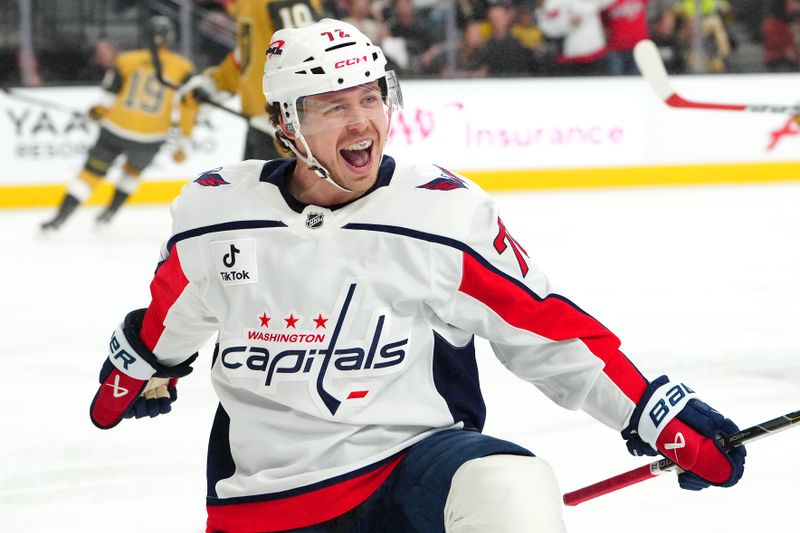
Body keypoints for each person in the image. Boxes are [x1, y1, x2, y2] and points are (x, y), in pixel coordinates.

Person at [89, 18, 747, 533]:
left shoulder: (440, 215)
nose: (362, 121)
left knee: (509, 483)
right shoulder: (215, 213)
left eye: (372, 96)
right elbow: (173, 311)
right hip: (262, 499)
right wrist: (141, 364)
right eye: (331, 106)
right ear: (286, 125)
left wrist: (652, 410)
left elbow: (543, 327)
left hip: (410, 472)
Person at [40, 16, 198, 231]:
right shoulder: (184, 67)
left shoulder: (126, 60)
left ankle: (58, 219)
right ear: (170, 38)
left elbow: (107, 99)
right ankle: (108, 214)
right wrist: (184, 140)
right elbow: (188, 107)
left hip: (116, 129)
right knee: (131, 174)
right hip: (152, 137)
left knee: (90, 175)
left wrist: (95, 113)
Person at [176, 0, 323, 161]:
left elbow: (308, 53)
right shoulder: (247, 5)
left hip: (285, 129)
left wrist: (292, 117)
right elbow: (248, 56)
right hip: (261, 124)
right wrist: (215, 84)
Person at [762, 0, 800, 72]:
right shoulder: (771, 22)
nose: (795, 6)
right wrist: (787, 51)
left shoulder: (793, 20)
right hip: (779, 60)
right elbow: (774, 41)